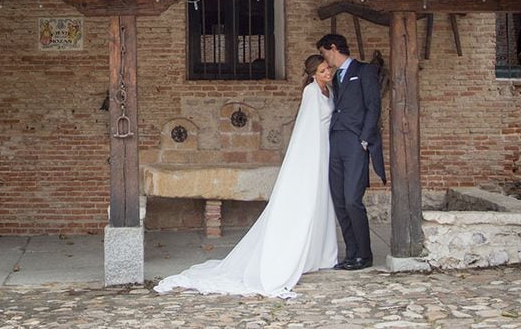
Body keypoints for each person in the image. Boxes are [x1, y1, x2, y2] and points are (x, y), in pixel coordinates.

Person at [153, 55, 339, 298]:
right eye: (323, 70)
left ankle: (321, 253)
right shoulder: (311, 92)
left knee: (323, 201)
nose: (328, 73)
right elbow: (307, 128)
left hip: (326, 148)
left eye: (328, 69)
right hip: (313, 151)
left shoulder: (329, 91)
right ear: (313, 73)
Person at [316, 33, 386, 271]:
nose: (325, 59)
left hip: (356, 143)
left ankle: (364, 255)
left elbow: (373, 106)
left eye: (324, 53)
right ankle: (351, 253)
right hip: (335, 142)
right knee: (339, 201)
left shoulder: (364, 71)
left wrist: (365, 139)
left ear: (333, 48)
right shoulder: (336, 78)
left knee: (352, 200)